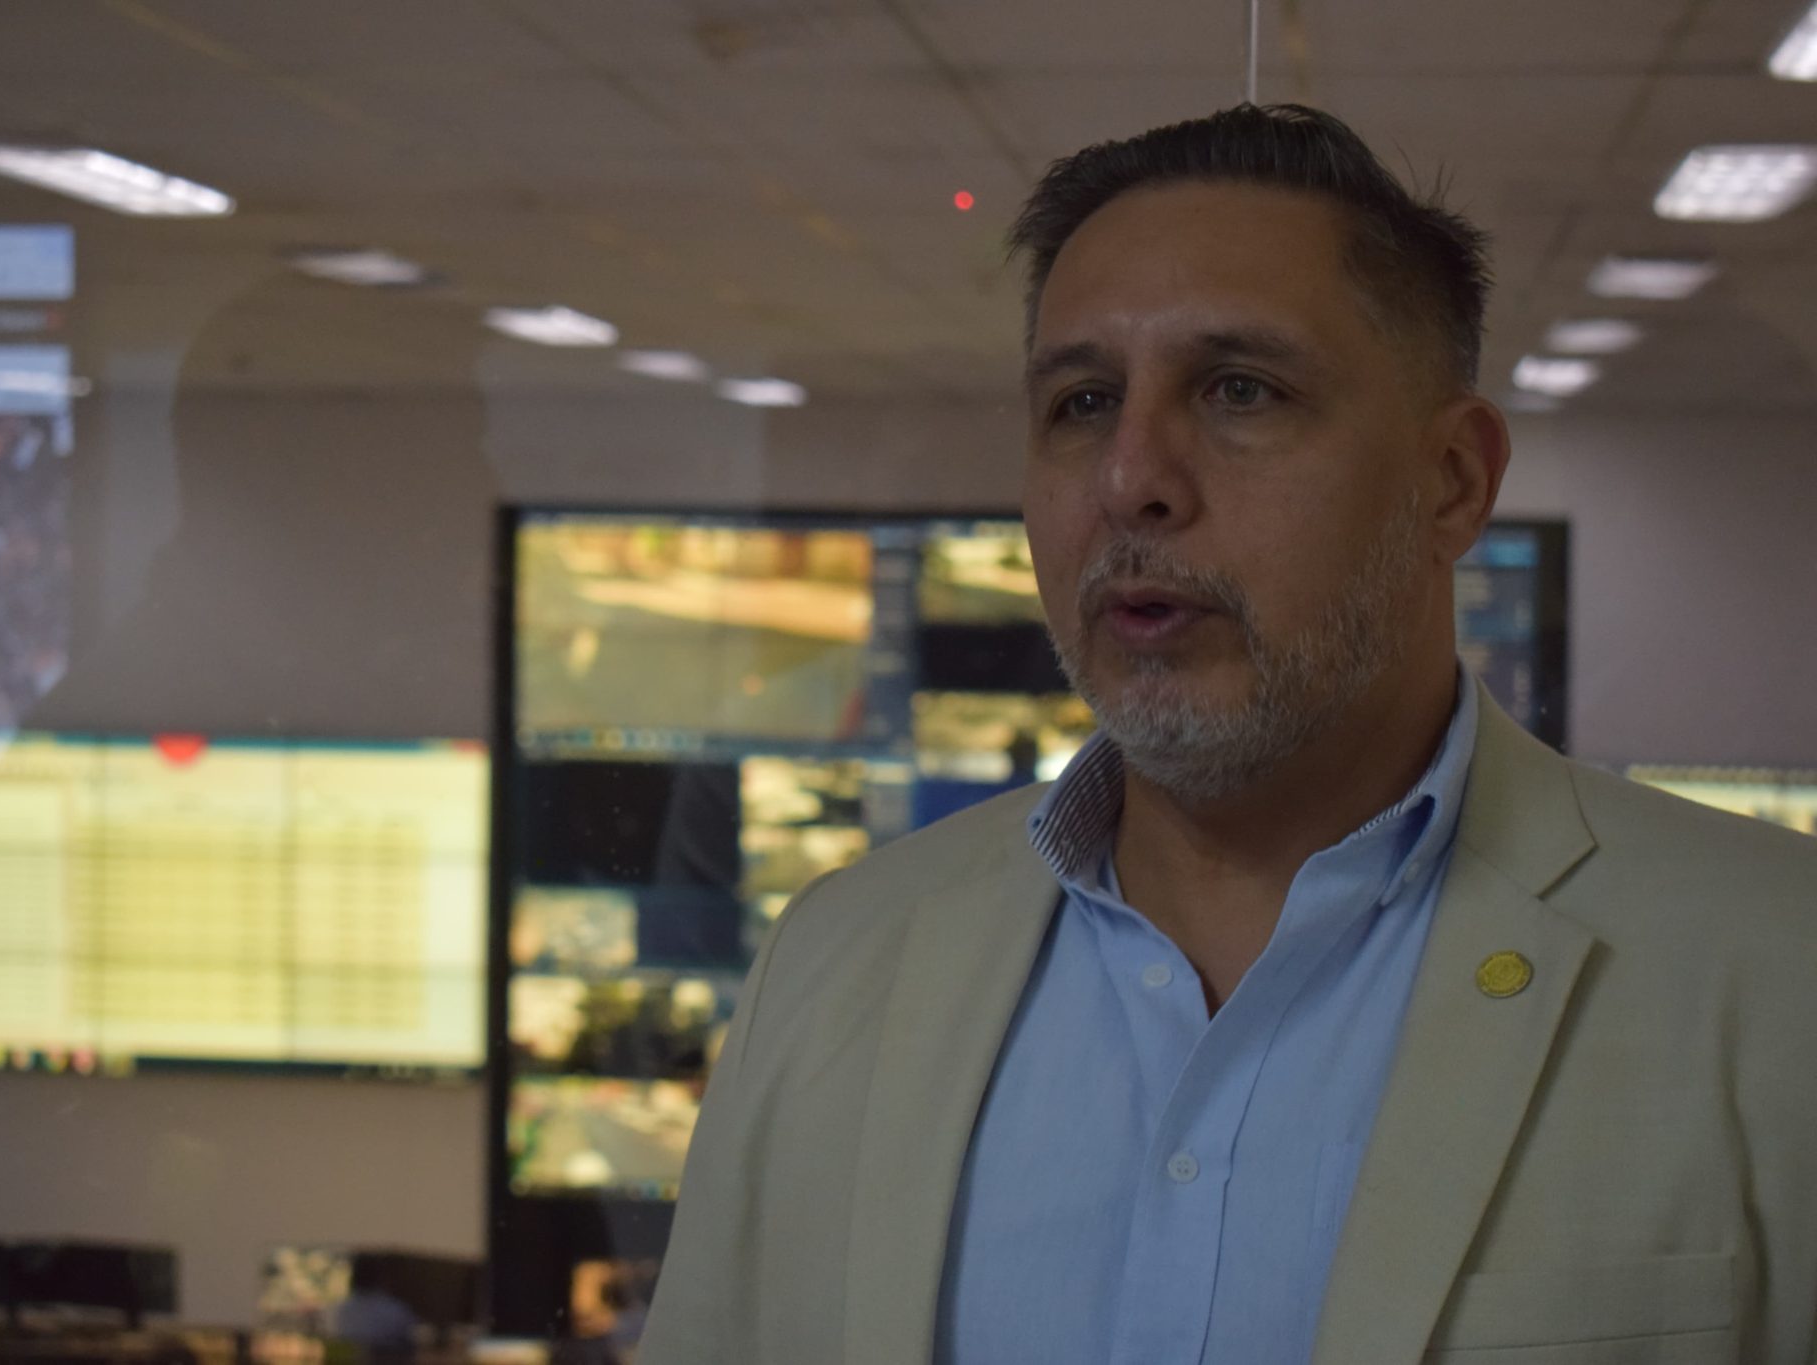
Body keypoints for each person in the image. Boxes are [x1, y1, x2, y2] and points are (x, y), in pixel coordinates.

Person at [637, 104, 1817, 1364]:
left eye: (1239, 390)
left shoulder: (1772, 970)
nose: (1129, 478)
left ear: (1452, 483)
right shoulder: (832, 965)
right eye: (1082, 402)